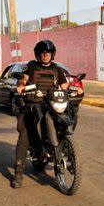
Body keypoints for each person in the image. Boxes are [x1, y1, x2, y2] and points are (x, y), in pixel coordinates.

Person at [12, 39, 69, 188]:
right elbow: (22, 81)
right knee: (24, 135)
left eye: (48, 53)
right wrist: (22, 87)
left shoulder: (57, 69)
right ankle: (18, 173)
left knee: (65, 118)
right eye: (43, 53)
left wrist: (71, 89)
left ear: (52, 55)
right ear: (38, 55)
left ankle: (56, 146)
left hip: (50, 104)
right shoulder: (31, 67)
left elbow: (64, 85)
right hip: (33, 104)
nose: (45, 56)